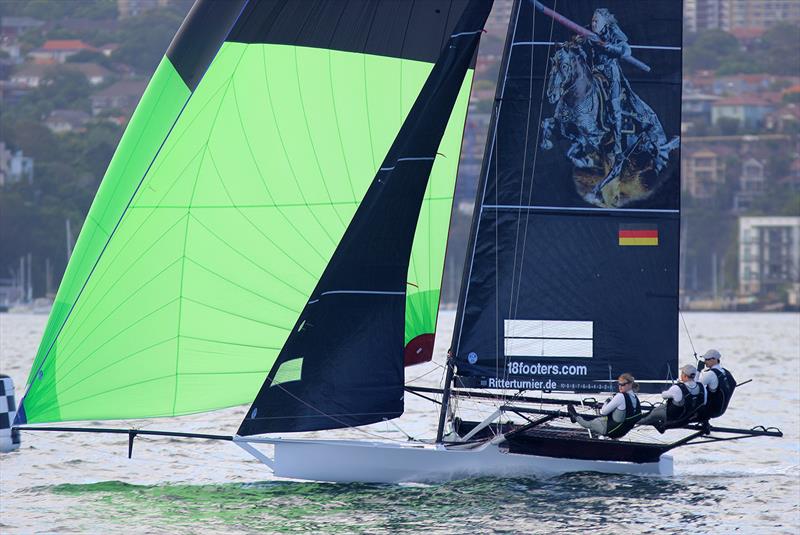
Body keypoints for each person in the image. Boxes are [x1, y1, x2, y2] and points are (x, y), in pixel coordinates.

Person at [567, 373, 642, 438]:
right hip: (623, 431)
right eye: (619, 384)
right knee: (600, 419)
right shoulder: (635, 398)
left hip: (610, 430)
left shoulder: (620, 396)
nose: (620, 387)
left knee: (589, 423)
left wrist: (606, 402)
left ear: (630, 384)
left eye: (622, 385)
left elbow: (603, 412)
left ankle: (575, 416)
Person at [637, 364, 707, 433]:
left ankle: (634, 421)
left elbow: (664, 396)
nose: (681, 374)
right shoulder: (702, 386)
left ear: (685, 376)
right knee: (656, 410)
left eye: (682, 373)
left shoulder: (677, 388)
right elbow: (704, 401)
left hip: (674, 417)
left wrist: (672, 387)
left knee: (652, 414)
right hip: (690, 417)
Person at [695, 349, 736, 421]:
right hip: (721, 410)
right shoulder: (726, 372)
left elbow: (694, 388)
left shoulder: (711, 374)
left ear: (714, 360)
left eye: (707, 359)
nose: (705, 361)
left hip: (710, 411)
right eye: (705, 359)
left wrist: (698, 371)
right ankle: (705, 422)